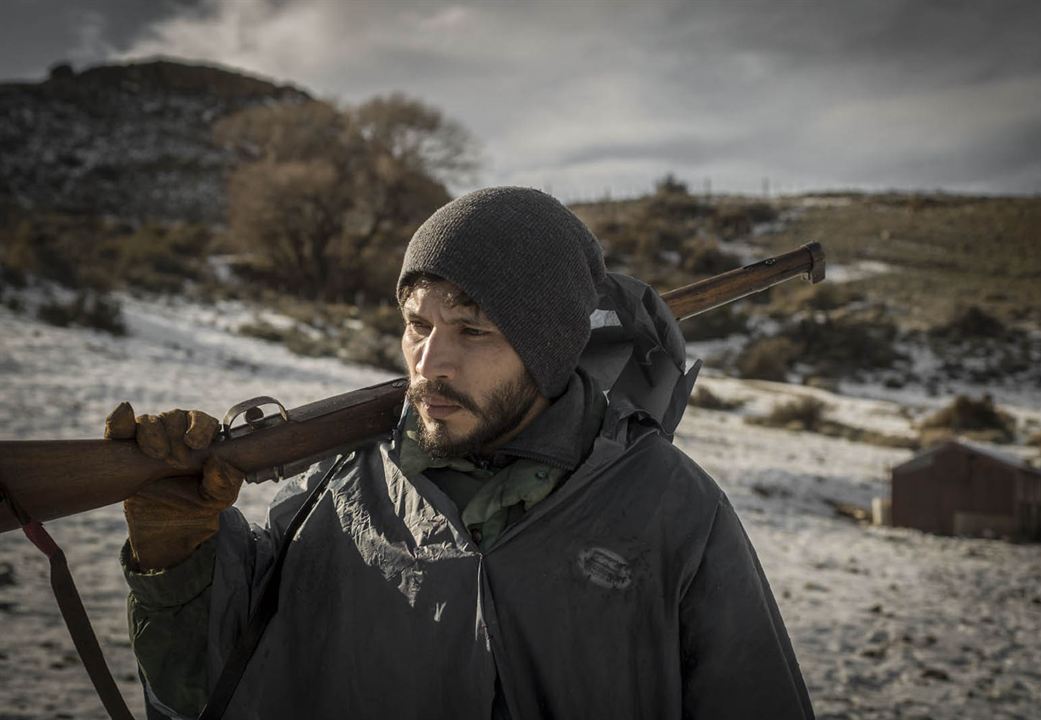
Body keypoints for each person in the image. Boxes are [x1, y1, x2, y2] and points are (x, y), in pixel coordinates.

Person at [110, 187, 814, 719]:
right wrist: (179, 561)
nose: (428, 363)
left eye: (471, 331)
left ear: (547, 349)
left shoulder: (675, 510)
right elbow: (216, 691)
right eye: (418, 325)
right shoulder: (339, 493)